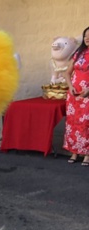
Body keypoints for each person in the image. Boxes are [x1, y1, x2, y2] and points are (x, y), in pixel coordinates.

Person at [64, 26, 89, 166]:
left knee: (86, 124)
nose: (87, 38)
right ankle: (74, 152)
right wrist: (70, 86)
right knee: (73, 123)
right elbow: (67, 73)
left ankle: (87, 154)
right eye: (85, 35)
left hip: (87, 95)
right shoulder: (79, 53)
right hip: (74, 93)